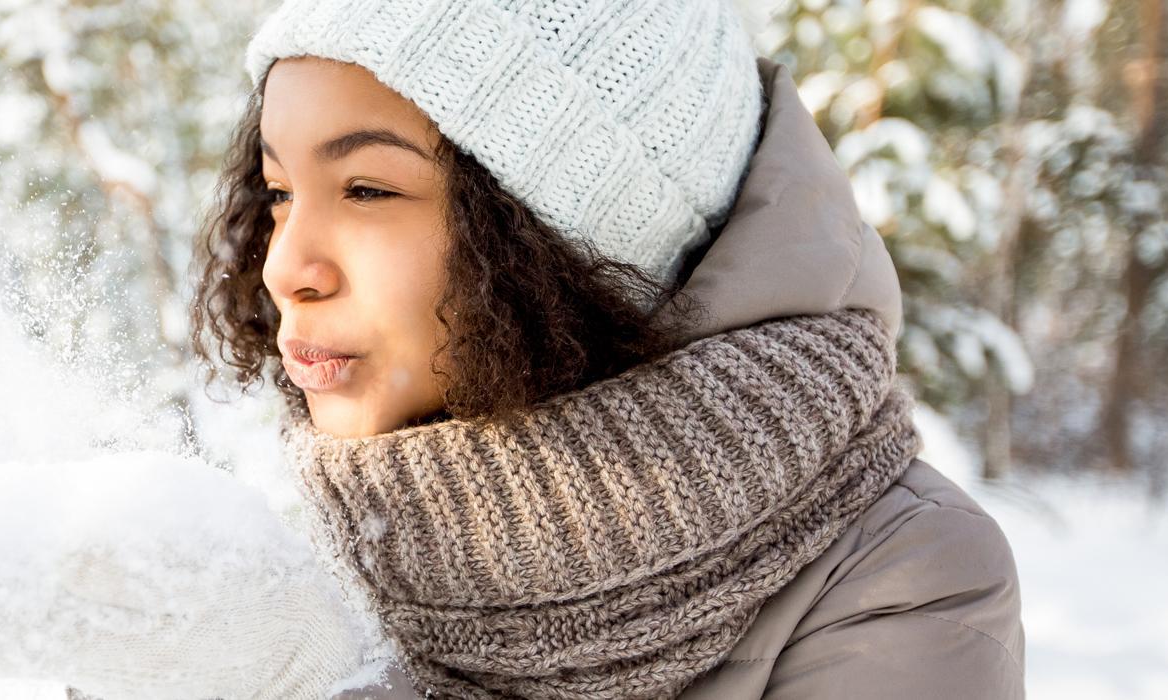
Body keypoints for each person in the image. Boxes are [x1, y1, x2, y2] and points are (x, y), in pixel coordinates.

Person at [175, 0, 1027, 697]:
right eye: (279, 191)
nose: (285, 266)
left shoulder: (904, 577)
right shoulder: (312, 530)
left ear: (563, 234)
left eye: (368, 189)